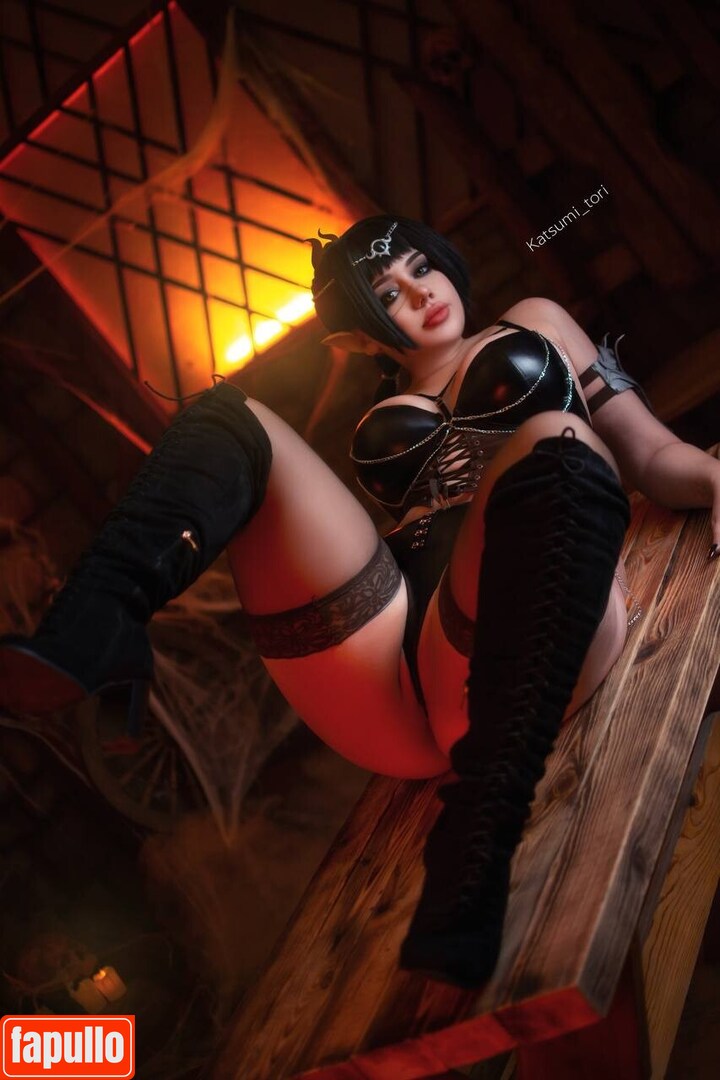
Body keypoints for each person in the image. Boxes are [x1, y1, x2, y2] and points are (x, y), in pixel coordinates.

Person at [1, 216, 718, 988]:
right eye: (389, 293)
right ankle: (96, 625)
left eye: (421, 268)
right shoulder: (376, 420)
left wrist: (711, 477)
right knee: (228, 417)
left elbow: (648, 452)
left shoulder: (534, 323)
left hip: (520, 634)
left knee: (556, 442)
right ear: (356, 337)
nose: (420, 293)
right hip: (396, 674)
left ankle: (477, 838)